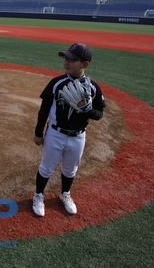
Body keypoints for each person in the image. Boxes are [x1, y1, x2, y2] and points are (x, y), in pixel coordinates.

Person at [32, 42, 105, 216]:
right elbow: (44, 109)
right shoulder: (56, 83)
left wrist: (88, 110)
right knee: (46, 168)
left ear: (85, 64)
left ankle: (65, 194)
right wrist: (38, 133)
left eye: (72, 59)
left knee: (70, 169)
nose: (66, 62)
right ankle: (38, 195)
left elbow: (99, 113)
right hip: (55, 134)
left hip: (78, 137)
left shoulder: (93, 88)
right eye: (66, 58)